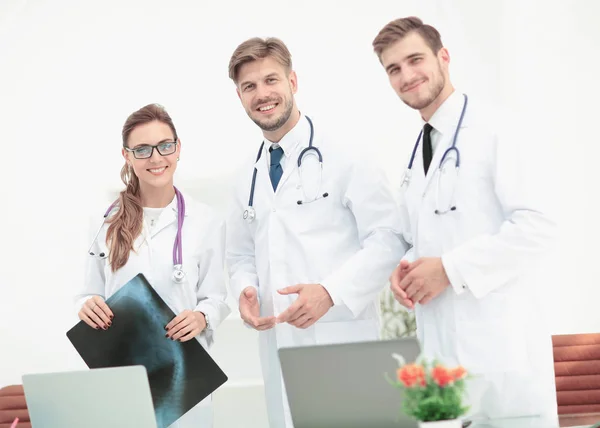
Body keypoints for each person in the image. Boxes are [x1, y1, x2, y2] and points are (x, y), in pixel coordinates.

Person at [372, 16, 558, 421]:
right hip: (441, 358)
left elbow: (538, 227)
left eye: (415, 59)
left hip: (502, 352)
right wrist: (401, 272)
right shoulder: (419, 149)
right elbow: (417, 235)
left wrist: (450, 269)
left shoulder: (498, 128)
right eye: (393, 69)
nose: (406, 75)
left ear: (444, 57)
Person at [225, 37, 409, 427]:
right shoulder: (246, 175)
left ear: (293, 81)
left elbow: (389, 237)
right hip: (278, 346)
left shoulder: (346, 152)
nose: (262, 94)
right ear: (239, 96)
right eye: (249, 86)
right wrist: (246, 290)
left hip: (341, 338)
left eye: (270, 80)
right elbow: (240, 255)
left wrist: (331, 292)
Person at [74, 103, 230, 428]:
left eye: (165, 146)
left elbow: (217, 297)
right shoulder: (104, 222)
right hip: (122, 374)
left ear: (178, 149)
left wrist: (203, 317)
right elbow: (87, 293)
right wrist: (86, 306)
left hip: (186, 377)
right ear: (127, 156)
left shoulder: (207, 221)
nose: (156, 158)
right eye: (142, 149)